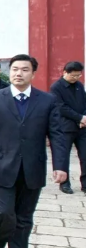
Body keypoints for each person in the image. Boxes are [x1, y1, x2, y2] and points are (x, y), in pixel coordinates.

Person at [0, 55, 68, 248]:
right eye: (15, 69)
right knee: (4, 213)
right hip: (1, 167)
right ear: (9, 72)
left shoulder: (47, 101)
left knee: (24, 217)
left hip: (32, 168)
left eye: (25, 69)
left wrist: (60, 166)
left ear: (33, 73)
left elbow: (57, 135)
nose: (19, 73)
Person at [50, 61, 86, 195]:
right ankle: (64, 184)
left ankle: (85, 184)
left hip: (82, 127)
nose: (76, 78)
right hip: (65, 127)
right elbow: (61, 107)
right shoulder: (56, 87)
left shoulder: (79, 86)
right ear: (65, 72)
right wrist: (79, 118)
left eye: (78, 75)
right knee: (63, 156)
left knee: (85, 156)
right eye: (73, 75)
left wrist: (84, 118)